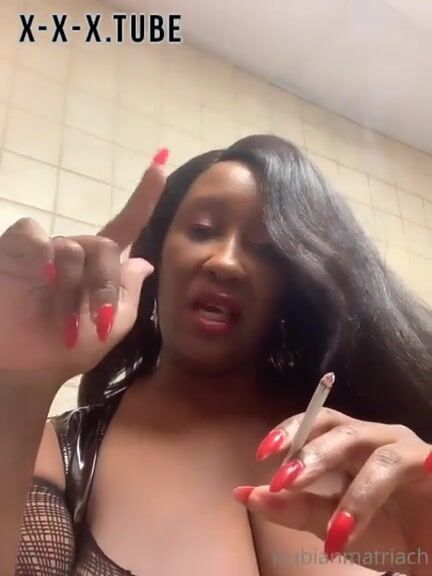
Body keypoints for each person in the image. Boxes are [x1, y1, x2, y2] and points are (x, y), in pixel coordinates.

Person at [1, 134, 431, 576]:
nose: (225, 262)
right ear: (159, 256)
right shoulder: (56, 451)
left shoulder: (366, 451)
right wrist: (18, 381)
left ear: (293, 284)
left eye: (266, 248)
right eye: (203, 230)